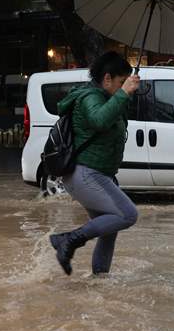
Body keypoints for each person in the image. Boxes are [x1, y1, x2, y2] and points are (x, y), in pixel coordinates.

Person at [49, 51, 140, 276]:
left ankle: (99, 281)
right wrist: (123, 94)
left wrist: (125, 94)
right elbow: (99, 120)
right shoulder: (90, 97)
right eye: (121, 82)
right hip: (85, 173)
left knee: (109, 229)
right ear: (107, 79)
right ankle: (68, 240)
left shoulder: (109, 98)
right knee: (127, 215)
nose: (123, 87)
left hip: (99, 174)